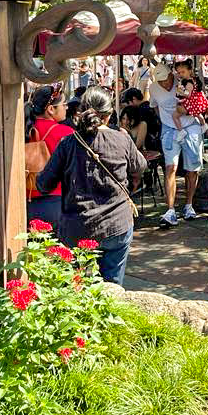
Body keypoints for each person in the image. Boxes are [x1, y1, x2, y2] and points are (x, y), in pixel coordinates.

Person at [34, 87, 145, 283]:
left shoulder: (68, 143)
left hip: (79, 228)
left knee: (81, 289)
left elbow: (44, 184)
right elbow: (140, 166)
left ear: (81, 111)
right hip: (117, 223)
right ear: (109, 115)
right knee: (113, 290)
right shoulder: (122, 138)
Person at [148, 64, 203, 226]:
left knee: (192, 167)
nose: (164, 84)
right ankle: (170, 209)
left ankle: (189, 204)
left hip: (191, 125)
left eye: (166, 80)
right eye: (161, 82)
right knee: (170, 167)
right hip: (170, 129)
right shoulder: (153, 88)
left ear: (172, 75)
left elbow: (198, 99)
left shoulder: (183, 81)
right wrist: (166, 121)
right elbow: (155, 106)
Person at [26, 85, 75, 229]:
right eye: (64, 104)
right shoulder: (67, 133)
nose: (66, 107)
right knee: (59, 250)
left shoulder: (23, 130)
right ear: (51, 109)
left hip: (26, 202)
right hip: (58, 201)